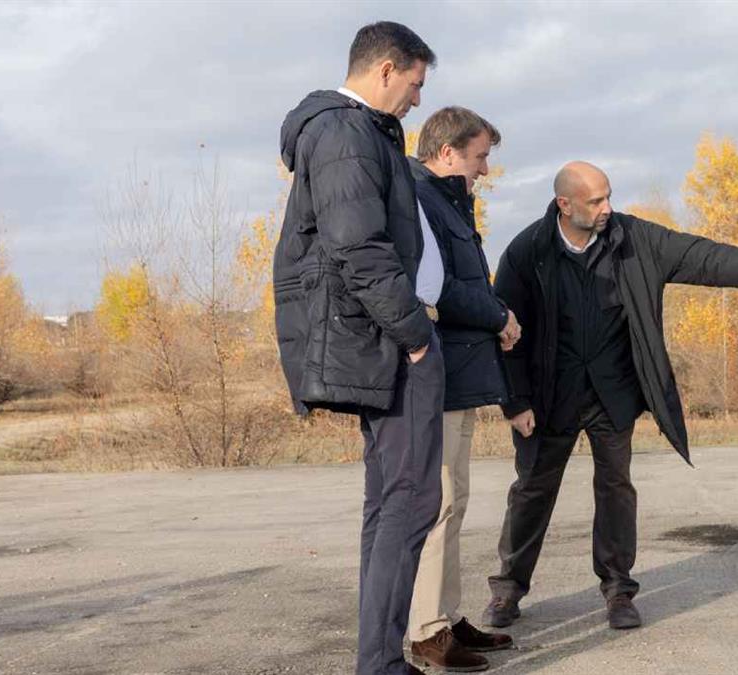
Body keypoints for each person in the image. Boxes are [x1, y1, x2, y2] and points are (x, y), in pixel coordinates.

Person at [483, 161, 738, 630]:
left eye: (609, 196)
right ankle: (508, 590)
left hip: (614, 393)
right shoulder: (528, 251)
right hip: (549, 397)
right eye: (596, 201)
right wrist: (515, 401)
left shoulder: (633, 238)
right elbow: (507, 332)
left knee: (616, 489)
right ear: (564, 205)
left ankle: (617, 591)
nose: (608, 208)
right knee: (531, 491)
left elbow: (698, 255)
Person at [273, 21, 442, 675]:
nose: (418, 101)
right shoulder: (345, 133)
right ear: (387, 70)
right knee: (409, 499)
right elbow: (359, 248)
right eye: (416, 84)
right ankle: (379, 665)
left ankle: (380, 659)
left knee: (394, 500)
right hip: (391, 343)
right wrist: (415, 335)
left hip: (386, 340)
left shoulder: (356, 133)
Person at [406, 106, 520, 672]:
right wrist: (498, 316)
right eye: (478, 158)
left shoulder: (448, 200)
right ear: (448, 153)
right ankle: (427, 632)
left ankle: (446, 618)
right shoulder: (424, 200)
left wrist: (495, 313)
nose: (482, 169)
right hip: (439, 374)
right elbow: (441, 287)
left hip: (462, 373)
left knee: (456, 501)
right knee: (439, 503)